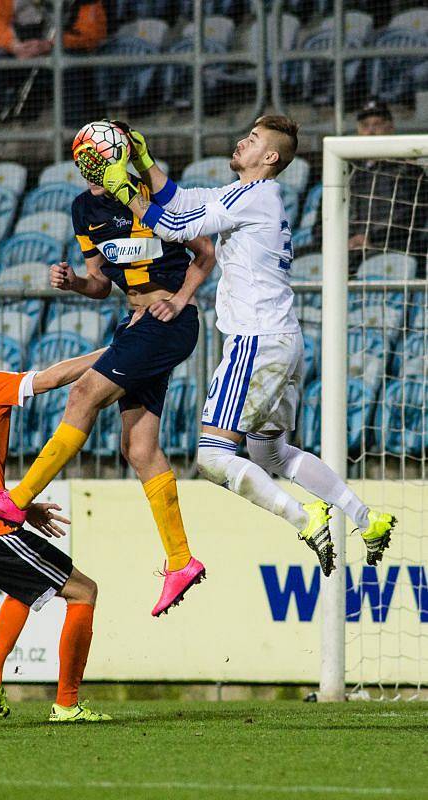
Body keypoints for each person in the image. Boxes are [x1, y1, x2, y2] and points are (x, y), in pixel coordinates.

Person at [72, 116, 397, 576]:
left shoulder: (253, 196)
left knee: (211, 455)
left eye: (254, 139)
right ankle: (368, 519)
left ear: (269, 157)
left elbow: (173, 224)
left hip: (255, 342)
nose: (242, 140)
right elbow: (180, 199)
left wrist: (121, 187)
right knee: (272, 454)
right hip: (283, 339)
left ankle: (305, 519)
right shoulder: (247, 195)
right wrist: (143, 162)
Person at [0, 168, 216, 617]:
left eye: (103, 149)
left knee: (82, 393)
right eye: (89, 152)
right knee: (139, 448)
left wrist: (178, 300)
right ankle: (181, 560)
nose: (94, 158)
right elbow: (99, 283)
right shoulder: (84, 209)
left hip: (168, 319)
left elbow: (206, 253)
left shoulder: (147, 192)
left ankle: (17, 500)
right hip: (138, 322)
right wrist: (75, 282)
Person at [0, 311, 111, 723]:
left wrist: (22, 507)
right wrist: (116, 352)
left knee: (23, 589)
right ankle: (67, 704)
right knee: (84, 592)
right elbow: (51, 379)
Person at [0, 0, 107, 160]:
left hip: (65, 52)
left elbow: (92, 33)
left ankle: (74, 142)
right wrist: (14, 46)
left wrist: (53, 44)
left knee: (69, 67)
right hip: (22, 52)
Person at [348, 99, 427, 275]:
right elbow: (322, 220)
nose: (370, 131)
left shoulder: (408, 171)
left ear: (390, 128)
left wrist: (370, 238)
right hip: (347, 249)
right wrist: (346, 239)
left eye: (377, 124)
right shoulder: (346, 171)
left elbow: (412, 217)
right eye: (365, 125)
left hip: (391, 248)